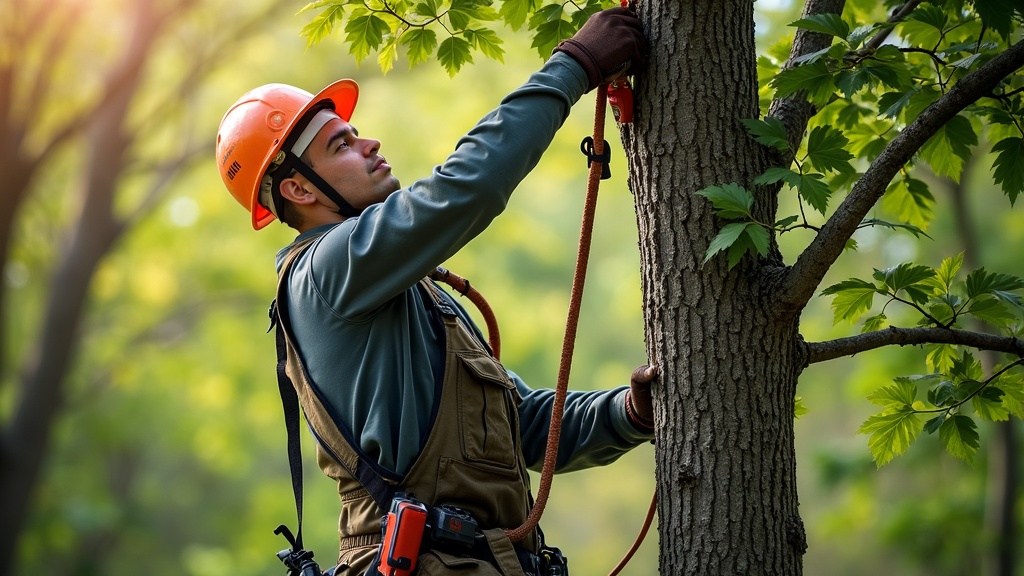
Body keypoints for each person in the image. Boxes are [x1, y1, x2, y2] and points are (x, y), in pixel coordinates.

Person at [215, 7, 654, 576]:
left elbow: (523, 426)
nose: (369, 142)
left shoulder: (411, 294)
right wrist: (573, 66)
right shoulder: (324, 271)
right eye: (340, 144)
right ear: (298, 187)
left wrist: (630, 413)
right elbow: (465, 188)